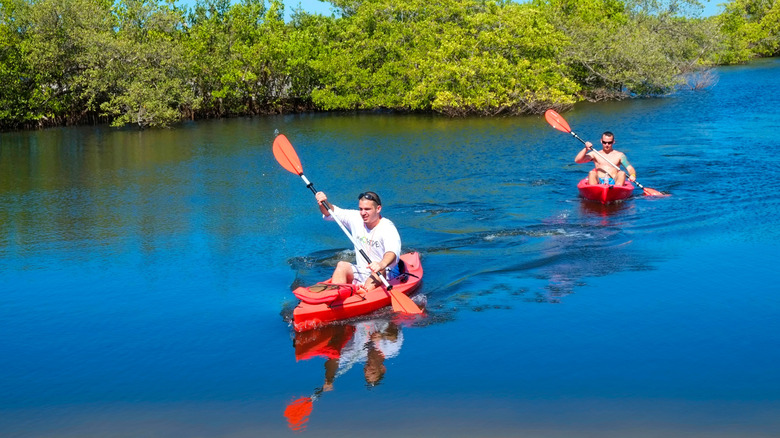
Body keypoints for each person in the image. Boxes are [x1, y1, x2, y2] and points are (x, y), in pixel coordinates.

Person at [314, 190, 401, 290]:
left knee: (380, 270)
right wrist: (323, 202)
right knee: (341, 265)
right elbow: (330, 211)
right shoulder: (355, 218)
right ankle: (336, 296)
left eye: (367, 209)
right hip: (363, 271)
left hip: (386, 273)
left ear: (378, 209)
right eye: (361, 209)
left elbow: (392, 252)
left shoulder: (387, 227)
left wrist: (381, 264)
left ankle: (363, 293)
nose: (363, 213)